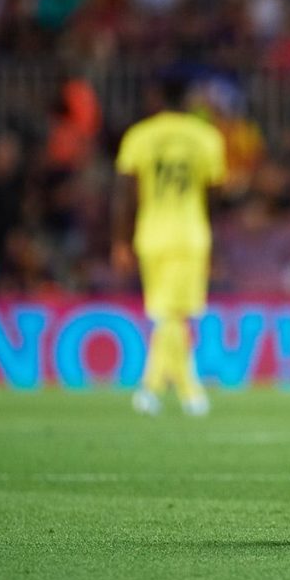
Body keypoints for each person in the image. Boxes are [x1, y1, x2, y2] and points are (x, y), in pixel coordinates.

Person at [112, 75, 226, 416]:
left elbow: (124, 193)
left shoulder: (139, 136)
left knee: (167, 314)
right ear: (188, 102)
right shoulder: (206, 137)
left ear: (157, 98)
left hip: (151, 234)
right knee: (174, 314)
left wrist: (119, 240)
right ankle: (188, 391)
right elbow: (214, 194)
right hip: (190, 233)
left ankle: (153, 388)